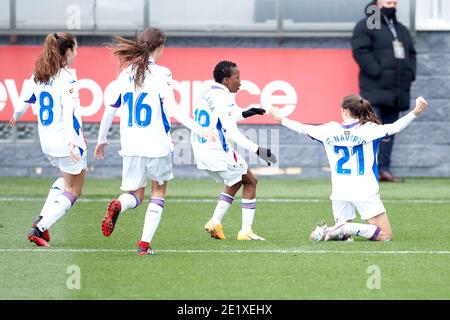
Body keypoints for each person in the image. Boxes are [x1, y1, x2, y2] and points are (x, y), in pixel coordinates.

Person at [94, 28, 216, 255]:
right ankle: (143, 245)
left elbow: (110, 109)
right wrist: (199, 128)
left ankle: (120, 204)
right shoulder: (163, 74)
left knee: (135, 194)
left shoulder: (125, 73)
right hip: (156, 144)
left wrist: (101, 140)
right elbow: (172, 108)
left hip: (130, 145)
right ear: (159, 48)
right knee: (158, 191)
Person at [269, 95, 428, 241]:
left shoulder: (329, 129)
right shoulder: (369, 129)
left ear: (345, 110)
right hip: (364, 190)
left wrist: (280, 118)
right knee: (385, 235)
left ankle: (331, 230)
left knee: (344, 237)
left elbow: (302, 128)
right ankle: (343, 227)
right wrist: (416, 110)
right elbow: (395, 127)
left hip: (339, 191)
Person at [9, 32, 86, 247]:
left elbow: (23, 102)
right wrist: (72, 141)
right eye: (76, 49)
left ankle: (42, 219)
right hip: (66, 142)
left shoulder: (38, 74)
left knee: (63, 181)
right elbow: (70, 114)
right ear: (67, 52)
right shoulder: (68, 78)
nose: (77, 53)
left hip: (47, 143)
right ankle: (40, 228)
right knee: (74, 190)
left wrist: (15, 116)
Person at [191, 60, 277, 241]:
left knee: (237, 180)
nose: (240, 82)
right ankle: (245, 231)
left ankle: (215, 222)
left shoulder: (206, 91)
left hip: (201, 148)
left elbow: (222, 117)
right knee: (251, 181)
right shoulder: (223, 97)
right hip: (217, 149)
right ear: (225, 81)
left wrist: (247, 112)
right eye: (237, 78)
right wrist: (258, 149)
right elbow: (232, 132)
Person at [351, 0, 416, 182]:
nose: (393, 5)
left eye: (395, 2)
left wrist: (410, 73)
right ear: (377, 3)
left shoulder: (401, 29)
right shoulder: (365, 26)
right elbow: (360, 51)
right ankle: (367, 170)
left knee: (389, 131)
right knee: (369, 130)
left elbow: (411, 54)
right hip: (375, 89)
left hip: (397, 90)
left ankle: (383, 169)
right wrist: (376, 71)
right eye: (389, 1)